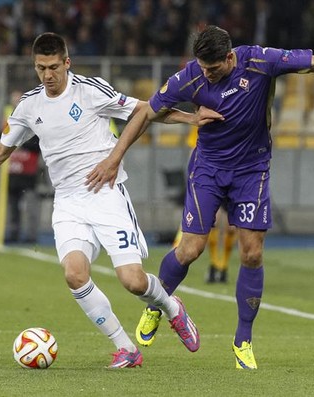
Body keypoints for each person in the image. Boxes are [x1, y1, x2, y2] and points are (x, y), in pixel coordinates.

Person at [0, 32, 221, 368]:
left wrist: (190, 118)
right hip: (68, 202)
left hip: (106, 195)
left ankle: (173, 308)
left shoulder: (90, 90)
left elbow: (144, 110)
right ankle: (126, 348)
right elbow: (0, 151)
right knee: (74, 274)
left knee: (132, 280)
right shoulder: (28, 106)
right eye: (41, 68)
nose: (48, 75)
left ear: (67, 62)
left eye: (54, 67)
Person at [86, 25, 314, 369]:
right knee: (191, 249)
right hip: (208, 169)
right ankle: (157, 304)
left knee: (251, 254)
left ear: (230, 56)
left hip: (253, 170)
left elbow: (308, 59)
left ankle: (243, 341)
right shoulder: (189, 78)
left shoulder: (260, 61)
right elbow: (148, 112)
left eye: (213, 68)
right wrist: (117, 156)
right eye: (202, 67)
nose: (206, 74)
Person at [172, 126, 237, 284]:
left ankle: (224, 266)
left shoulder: (239, 113)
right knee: (212, 221)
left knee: (231, 226)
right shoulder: (205, 116)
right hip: (211, 175)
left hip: (236, 174)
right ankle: (215, 265)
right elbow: (194, 149)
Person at [3, 90, 41, 243]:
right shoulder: (8, 119)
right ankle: (13, 232)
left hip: (28, 171)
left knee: (30, 205)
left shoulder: (33, 118)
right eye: (14, 99)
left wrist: (19, 142)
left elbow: (38, 142)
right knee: (12, 205)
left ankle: (31, 235)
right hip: (12, 170)